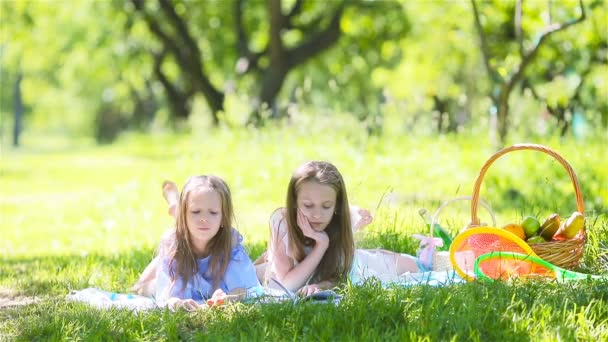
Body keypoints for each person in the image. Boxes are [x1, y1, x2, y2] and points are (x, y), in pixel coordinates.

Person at [256, 161, 420, 296]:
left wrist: (322, 285)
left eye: (326, 206)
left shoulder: (339, 221)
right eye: (308, 205)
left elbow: (339, 276)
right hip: (289, 266)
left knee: (413, 266)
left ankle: (427, 254)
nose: (317, 215)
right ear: (294, 203)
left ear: (336, 206)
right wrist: (321, 245)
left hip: (356, 264)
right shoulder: (282, 221)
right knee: (255, 272)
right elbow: (287, 285)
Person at [132, 175, 259, 311]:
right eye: (196, 211)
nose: (204, 218)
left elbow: (246, 289)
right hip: (182, 251)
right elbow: (168, 296)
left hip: (206, 267)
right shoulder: (173, 244)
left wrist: (229, 299)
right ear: (185, 214)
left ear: (224, 217)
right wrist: (176, 302)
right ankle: (175, 205)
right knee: (140, 287)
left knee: (260, 273)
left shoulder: (230, 243)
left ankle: (178, 207)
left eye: (213, 212)